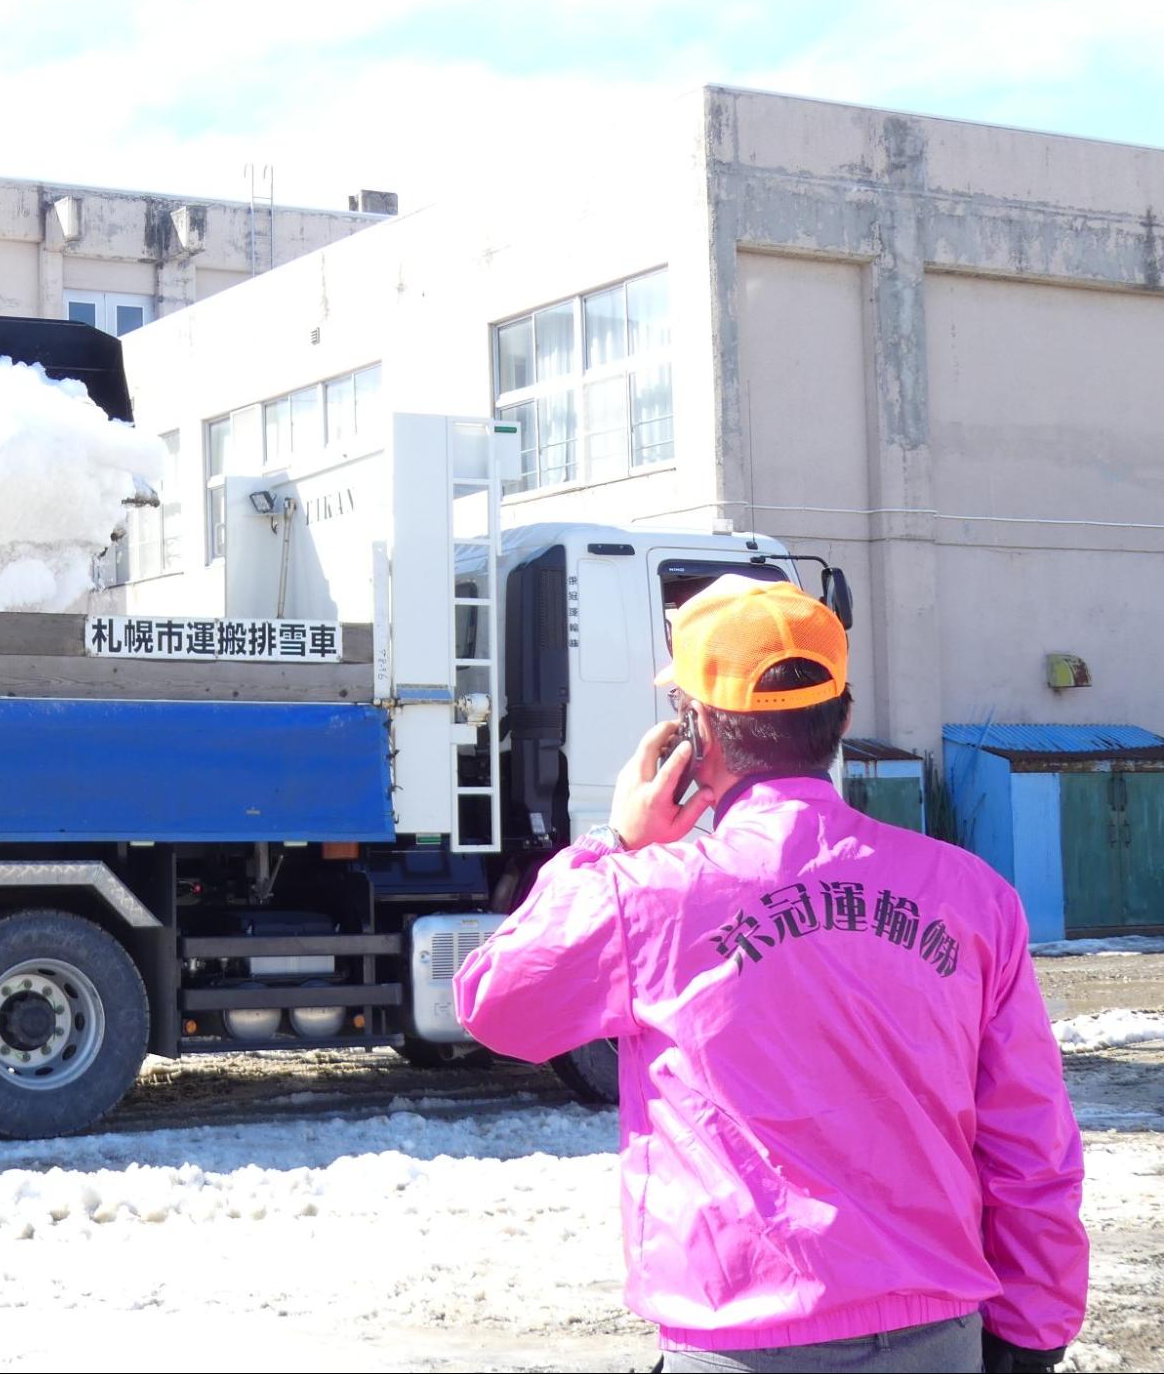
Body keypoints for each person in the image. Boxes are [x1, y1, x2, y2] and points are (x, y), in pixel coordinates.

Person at [455, 575, 1087, 1373]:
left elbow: (495, 1006)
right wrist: (1033, 1330)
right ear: (843, 720)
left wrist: (611, 845)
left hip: (739, 1344)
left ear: (693, 732)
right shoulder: (971, 897)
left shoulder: (646, 895)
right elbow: (1030, 1138)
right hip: (939, 1333)